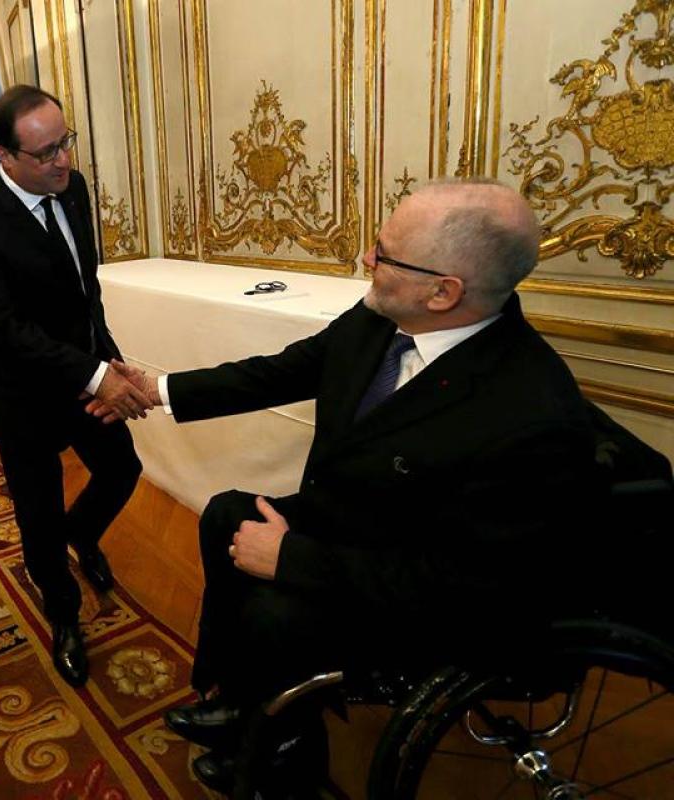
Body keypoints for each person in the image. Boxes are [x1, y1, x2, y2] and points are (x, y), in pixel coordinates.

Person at [99, 179, 603, 796]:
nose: (366, 260)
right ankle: (243, 700)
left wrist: (295, 560)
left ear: (445, 292)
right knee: (227, 512)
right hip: (356, 528)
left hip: (424, 595)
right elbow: (287, 369)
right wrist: (160, 390)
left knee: (274, 611)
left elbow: (473, 590)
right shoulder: (383, 317)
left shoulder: (531, 412)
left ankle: (287, 757)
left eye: (384, 253)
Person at [0, 85, 151, 688]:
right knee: (38, 518)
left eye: (65, 142)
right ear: (3, 156)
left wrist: (109, 360)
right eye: (45, 153)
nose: (63, 161)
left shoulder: (74, 188)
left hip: (84, 372)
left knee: (122, 471)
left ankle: (82, 536)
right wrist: (96, 376)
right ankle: (64, 617)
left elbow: (82, 290)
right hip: (23, 395)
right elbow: (6, 331)